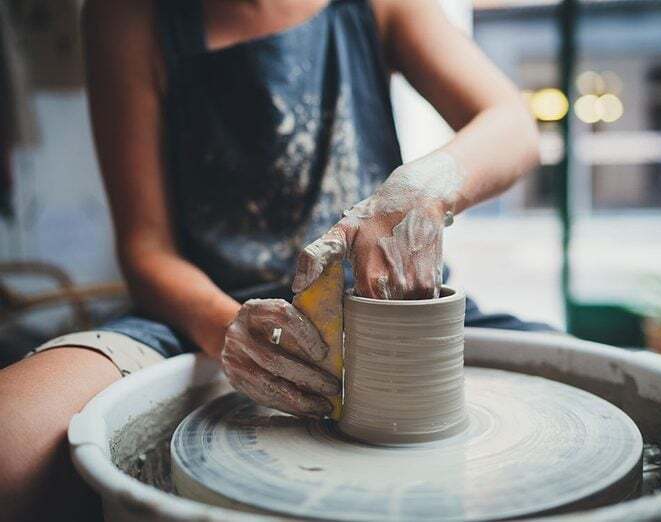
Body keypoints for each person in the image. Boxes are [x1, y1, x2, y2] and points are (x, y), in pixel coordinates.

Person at [0, 0, 547, 519]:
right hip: (214, 321)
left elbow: (512, 124)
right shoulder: (129, 14)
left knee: (607, 399)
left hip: (392, 314)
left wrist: (425, 185)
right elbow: (146, 251)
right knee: (13, 437)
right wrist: (225, 331)